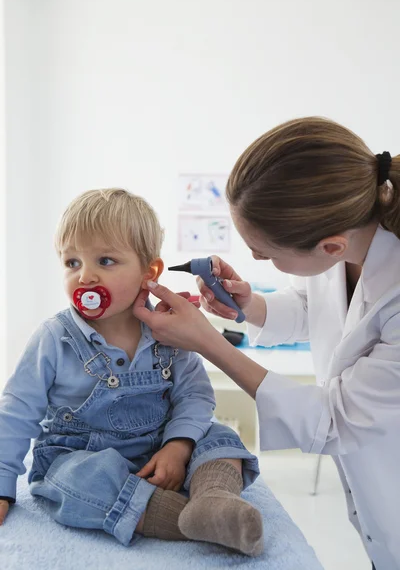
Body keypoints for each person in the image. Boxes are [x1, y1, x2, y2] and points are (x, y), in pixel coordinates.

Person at [133, 117, 400, 570]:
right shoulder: (349, 243)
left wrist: (208, 344)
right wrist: (250, 306)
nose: (257, 259)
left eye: (265, 254)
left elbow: (336, 420)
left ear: (331, 246)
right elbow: (319, 307)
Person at [0, 188, 262, 556]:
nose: (85, 276)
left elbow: (195, 395)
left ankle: (215, 497)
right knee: (70, 480)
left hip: (159, 444)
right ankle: (187, 520)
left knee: (220, 438)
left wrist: (179, 445)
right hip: (82, 454)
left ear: (148, 273)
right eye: (72, 262)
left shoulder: (170, 330)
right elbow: (15, 411)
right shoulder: (54, 338)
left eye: (105, 261)